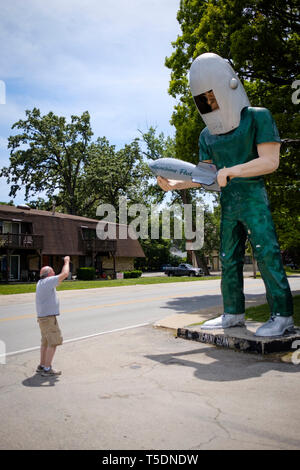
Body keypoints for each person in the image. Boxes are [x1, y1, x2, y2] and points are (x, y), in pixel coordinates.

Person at [157, 52, 294, 337]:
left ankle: (282, 315)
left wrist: (231, 170)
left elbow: (270, 162)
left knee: (267, 253)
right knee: (228, 257)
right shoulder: (207, 136)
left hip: (254, 198)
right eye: (204, 98)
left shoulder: (258, 117)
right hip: (229, 203)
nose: (210, 102)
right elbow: (206, 178)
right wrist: (174, 184)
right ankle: (232, 313)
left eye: (212, 95)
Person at [35, 256, 70, 376]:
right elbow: (65, 273)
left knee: (45, 342)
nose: (55, 273)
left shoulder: (42, 282)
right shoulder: (47, 282)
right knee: (53, 343)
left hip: (43, 319)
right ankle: (47, 369)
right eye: (53, 272)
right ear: (48, 274)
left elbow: (60, 278)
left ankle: (42, 365)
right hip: (48, 319)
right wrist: (66, 261)